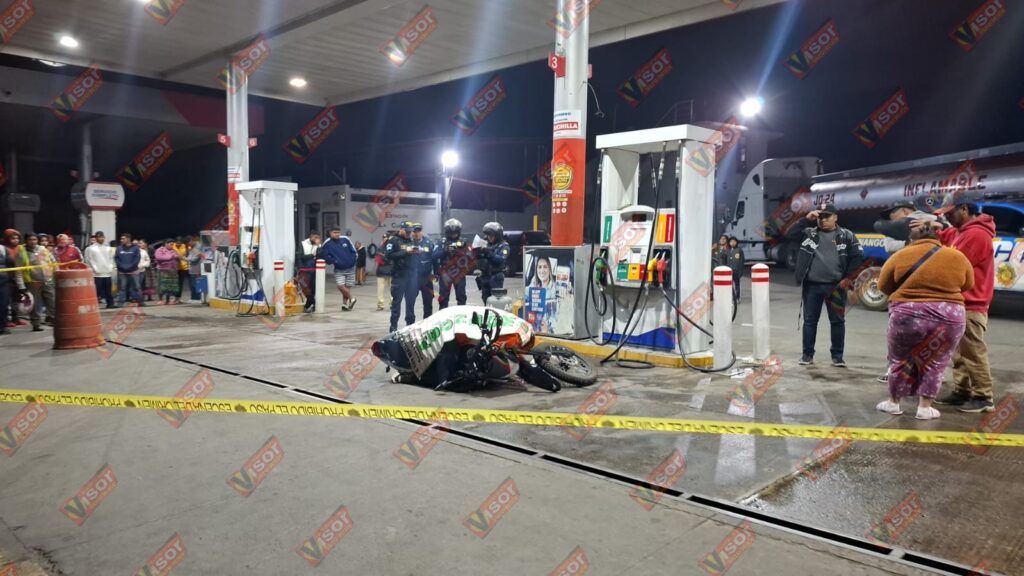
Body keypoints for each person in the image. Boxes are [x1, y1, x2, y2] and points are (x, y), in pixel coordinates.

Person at [875, 225, 973, 419]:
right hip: (949, 315)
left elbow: (883, 285)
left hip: (907, 314)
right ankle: (925, 408)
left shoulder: (900, 255)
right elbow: (968, 284)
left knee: (900, 360)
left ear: (911, 240)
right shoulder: (957, 256)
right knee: (936, 362)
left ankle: (893, 403)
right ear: (938, 239)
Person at [919, 192, 997, 413]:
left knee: (973, 352)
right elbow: (946, 235)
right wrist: (935, 226)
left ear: (964, 209)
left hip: (972, 303)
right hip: (960, 302)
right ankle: (962, 391)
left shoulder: (976, 235)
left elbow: (953, 265)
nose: (947, 217)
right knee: (959, 353)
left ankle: (983, 397)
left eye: (950, 213)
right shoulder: (961, 231)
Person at [786, 203, 865, 367]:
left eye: (827, 216)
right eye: (820, 217)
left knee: (837, 322)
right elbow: (789, 234)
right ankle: (807, 355)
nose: (822, 220)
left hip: (836, 287)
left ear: (836, 217)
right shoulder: (809, 233)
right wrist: (806, 219)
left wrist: (848, 278)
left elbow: (857, 257)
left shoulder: (846, 235)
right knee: (810, 321)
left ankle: (837, 356)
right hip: (812, 286)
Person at [385, 222, 416, 331]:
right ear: (401, 229)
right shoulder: (393, 240)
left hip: (411, 276)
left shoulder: (411, 240)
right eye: (406, 231)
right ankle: (393, 327)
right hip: (399, 276)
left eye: (410, 232)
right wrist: (405, 252)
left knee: (410, 302)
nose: (408, 233)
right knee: (396, 303)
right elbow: (388, 255)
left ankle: (410, 326)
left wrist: (417, 251)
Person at [434, 220, 471, 310]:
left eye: (455, 233)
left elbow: (470, 256)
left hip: (459, 272)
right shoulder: (441, 242)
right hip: (445, 273)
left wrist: (459, 251)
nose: (453, 235)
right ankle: (443, 316)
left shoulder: (463, 242)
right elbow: (434, 255)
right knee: (443, 298)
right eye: (451, 233)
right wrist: (445, 251)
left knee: (461, 297)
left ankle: (461, 316)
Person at [19, 233, 53, 330]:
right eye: (30, 240)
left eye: (34, 239)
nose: (33, 242)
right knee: (35, 304)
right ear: (26, 241)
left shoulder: (42, 249)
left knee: (51, 300)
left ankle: (52, 319)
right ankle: (36, 324)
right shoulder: (22, 252)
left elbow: (52, 261)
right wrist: (21, 286)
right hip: (32, 282)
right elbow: (18, 271)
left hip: (47, 279)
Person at [320, 226, 358, 311]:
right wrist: (334, 261)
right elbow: (324, 256)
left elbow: (354, 251)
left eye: (338, 232)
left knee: (347, 287)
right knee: (340, 285)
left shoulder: (345, 239)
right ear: (330, 233)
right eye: (335, 232)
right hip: (339, 269)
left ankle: (344, 305)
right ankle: (352, 298)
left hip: (351, 267)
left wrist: (353, 260)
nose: (337, 234)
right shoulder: (327, 243)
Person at [475, 222, 509, 304]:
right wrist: (478, 252)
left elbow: (500, 259)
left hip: (495, 276)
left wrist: (488, 253)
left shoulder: (504, 246)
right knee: (485, 298)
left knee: (495, 300)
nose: (489, 238)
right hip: (484, 276)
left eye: (491, 236)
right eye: (488, 236)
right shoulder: (486, 244)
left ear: (497, 235)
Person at [84, 230, 116, 309]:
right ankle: (93, 305)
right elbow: (88, 260)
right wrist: (93, 269)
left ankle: (110, 303)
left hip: (107, 272)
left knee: (108, 290)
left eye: (102, 237)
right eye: (99, 237)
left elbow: (111, 259)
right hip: (96, 273)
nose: (101, 238)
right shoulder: (90, 248)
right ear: (96, 238)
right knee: (96, 291)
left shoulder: (108, 248)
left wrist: (110, 267)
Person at [411, 223, 435, 319]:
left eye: (419, 231)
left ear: (422, 231)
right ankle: (410, 322)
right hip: (413, 277)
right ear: (412, 232)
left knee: (428, 301)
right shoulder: (409, 243)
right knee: (410, 301)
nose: (417, 233)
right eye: (414, 231)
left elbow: (434, 258)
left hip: (426, 277)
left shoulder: (429, 243)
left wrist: (436, 273)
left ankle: (427, 322)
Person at [114, 233, 143, 307]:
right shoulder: (119, 248)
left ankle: (140, 302)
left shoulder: (135, 248)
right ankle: (121, 303)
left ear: (128, 239)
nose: (121, 240)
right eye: (121, 239)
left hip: (133, 271)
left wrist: (130, 267)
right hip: (122, 271)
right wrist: (122, 266)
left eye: (123, 239)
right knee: (122, 288)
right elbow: (116, 259)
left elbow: (137, 258)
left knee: (137, 287)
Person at [299, 230, 321, 313]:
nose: (316, 239)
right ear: (310, 236)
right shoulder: (303, 244)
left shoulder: (319, 245)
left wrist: (318, 247)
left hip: (315, 270)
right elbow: (301, 256)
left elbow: (320, 256)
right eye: (315, 237)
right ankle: (313, 303)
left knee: (314, 288)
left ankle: (309, 305)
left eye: (318, 238)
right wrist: (312, 255)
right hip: (305, 269)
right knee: (305, 288)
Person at [375, 232, 393, 311]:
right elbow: (378, 259)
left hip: (389, 270)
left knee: (391, 289)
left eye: (386, 238)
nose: (385, 239)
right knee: (381, 289)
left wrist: (384, 257)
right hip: (383, 271)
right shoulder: (380, 247)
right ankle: (381, 304)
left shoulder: (381, 248)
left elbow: (379, 259)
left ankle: (391, 303)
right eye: (384, 238)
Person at [726, 236, 745, 301]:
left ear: (736, 242)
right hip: (729, 271)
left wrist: (740, 271)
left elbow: (742, 261)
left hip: (736, 271)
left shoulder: (739, 250)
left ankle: (737, 297)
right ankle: (730, 297)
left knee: (737, 285)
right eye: (731, 241)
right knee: (729, 285)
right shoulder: (728, 250)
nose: (733, 243)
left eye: (734, 241)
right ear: (729, 243)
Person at [172, 236, 190, 301]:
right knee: (174, 283)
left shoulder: (185, 246)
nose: (178, 243)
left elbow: (188, 254)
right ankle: (174, 297)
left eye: (180, 242)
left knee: (180, 283)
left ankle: (178, 298)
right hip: (175, 267)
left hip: (183, 267)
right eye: (177, 242)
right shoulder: (172, 246)